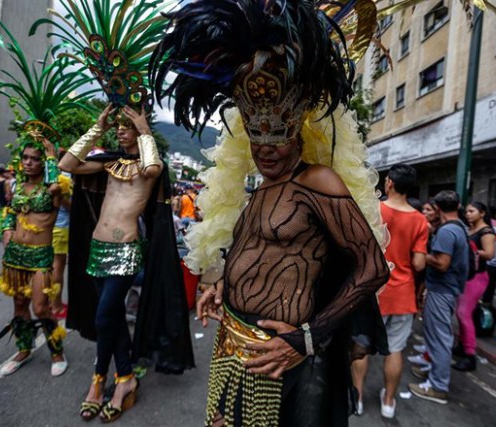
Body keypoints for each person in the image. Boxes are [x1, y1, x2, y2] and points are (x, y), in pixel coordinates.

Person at [152, 0, 395, 424]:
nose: (265, 150)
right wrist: (223, 284)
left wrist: (309, 337)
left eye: (276, 137)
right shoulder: (263, 186)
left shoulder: (317, 181)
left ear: (298, 128)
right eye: (256, 138)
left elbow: (372, 267)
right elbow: (257, 250)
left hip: (285, 354)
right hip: (233, 342)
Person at [61, 104, 193, 422]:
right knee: (112, 316)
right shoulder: (107, 164)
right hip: (97, 248)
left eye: (126, 125)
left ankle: (98, 378)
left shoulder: (150, 168)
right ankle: (124, 378)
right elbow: (67, 163)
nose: (120, 130)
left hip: (125, 250)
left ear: (138, 129)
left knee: (105, 316)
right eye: (117, 125)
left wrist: (146, 130)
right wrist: (98, 126)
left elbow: (151, 170)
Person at [351, 164, 428, 418]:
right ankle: (388, 402)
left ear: (390, 184)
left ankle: (358, 397)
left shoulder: (374, 209)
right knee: (394, 350)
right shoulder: (420, 220)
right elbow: (419, 263)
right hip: (403, 295)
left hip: (372, 290)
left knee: (361, 345)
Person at [0, 138, 67, 377]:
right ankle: (24, 349)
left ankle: (57, 352)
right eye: (25, 157)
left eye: (35, 158)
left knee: (41, 307)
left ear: (44, 163)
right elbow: (10, 213)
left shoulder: (53, 189)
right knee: (19, 305)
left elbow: (55, 185)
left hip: (40, 256)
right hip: (15, 255)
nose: (28, 162)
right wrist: (6, 231)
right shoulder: (16, 187)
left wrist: (52, 156)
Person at [409, 190, 468, 404]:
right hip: (447, 289)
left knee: (440, 339)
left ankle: (437, 386)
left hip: (442, 289)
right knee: (436, 336)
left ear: (438, 209)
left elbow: (442, 263)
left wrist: (422, 254)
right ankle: (434, 373)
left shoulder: (447, 231)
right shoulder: (459, 227)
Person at [452, 201, 496, 371]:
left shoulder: (486, 231)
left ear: (482, 213)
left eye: (472, 211)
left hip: (477, 277)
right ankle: (462, 345)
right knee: (461, 312)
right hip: (467, 275)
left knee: (464, 314)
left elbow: (490, 254)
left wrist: (469, 251)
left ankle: (470, 355)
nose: (468, 214)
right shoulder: (470, 229)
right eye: (467, 211)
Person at [50, 166, 72, 319]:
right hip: (61, 226)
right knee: (57, 267)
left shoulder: (50, 174)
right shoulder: (65, 176)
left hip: (49, 226)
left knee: (52, 266)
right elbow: (64, 202)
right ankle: (56, 306)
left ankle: (51, 302)